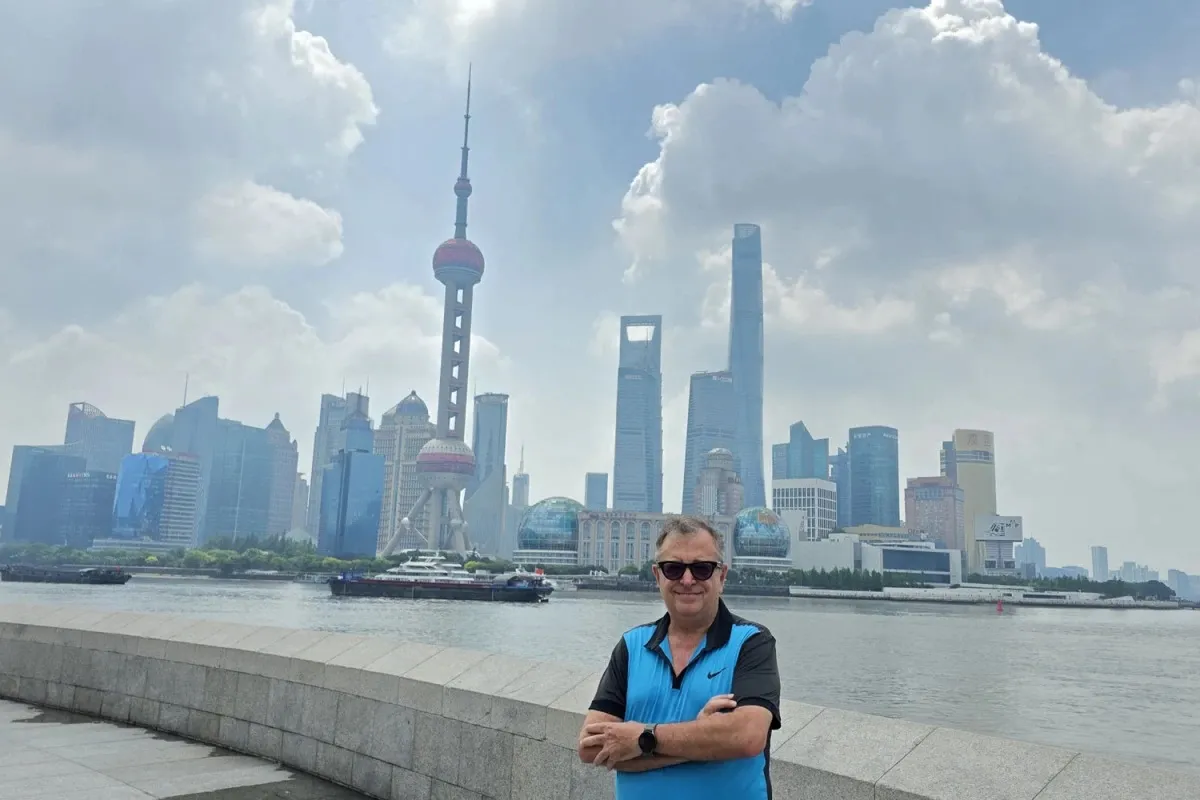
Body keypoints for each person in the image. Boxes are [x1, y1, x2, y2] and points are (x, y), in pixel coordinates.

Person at [577, 515, 782, 798]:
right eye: (673, 569)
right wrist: (703, 740)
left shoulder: (751, 642)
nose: (687, 580)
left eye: (702, 568)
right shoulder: (632, 645)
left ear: (722, 577)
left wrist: (642, 739)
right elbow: (590, 747)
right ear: (657, 576)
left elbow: (747, 737)